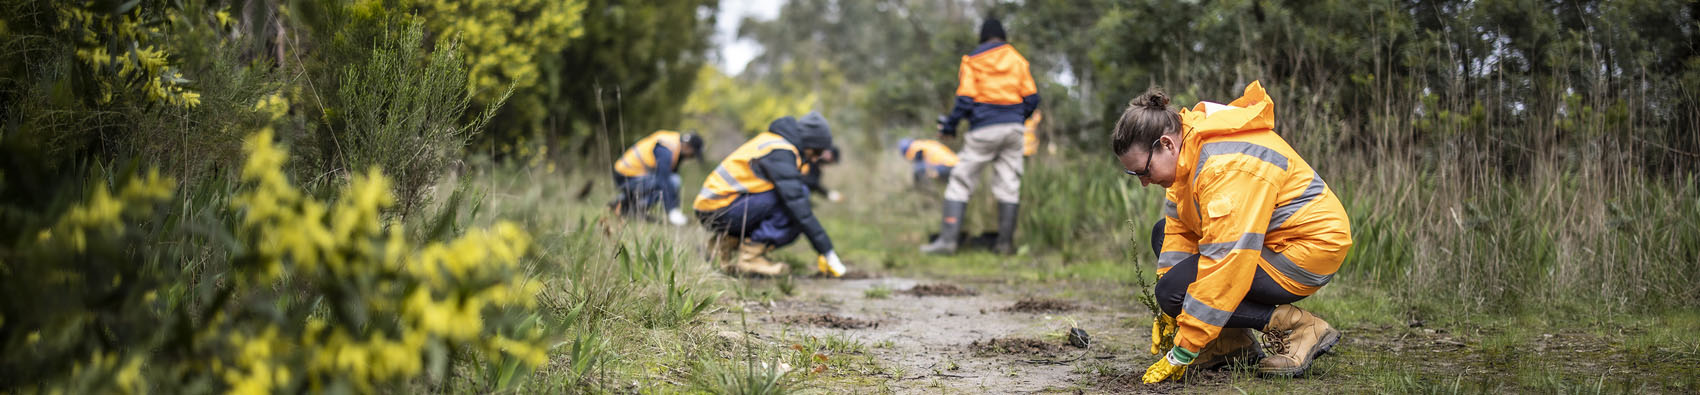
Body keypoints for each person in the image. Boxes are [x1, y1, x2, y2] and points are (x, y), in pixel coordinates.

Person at [1112, 82, 1353, 383]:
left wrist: (1185, 346)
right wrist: (1172, 316)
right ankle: (1230, 343)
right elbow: (1179, 233)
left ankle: (1297, 327)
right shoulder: (1188, 156)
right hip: (1271, 240)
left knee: (1174, 292)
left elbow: (1226, 264)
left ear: (1167, 144)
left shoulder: (1222, 167)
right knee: (1163, 239)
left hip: (1307, 248)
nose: (1144, 182)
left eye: (1144, 171)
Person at [920, 17, 1040, 256]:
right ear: (1003, 36)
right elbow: (1033, 98)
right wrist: (1016, 117)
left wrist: (951, 126)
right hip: (1014, 129)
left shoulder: (973, 60)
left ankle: (947, 242)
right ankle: (1004, 245)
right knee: (1009, 184)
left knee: (960, 181)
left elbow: (964, 99)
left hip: (984, 129)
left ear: (982, 36)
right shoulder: (1017, 59)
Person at [694, 112, 848, 277]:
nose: (816, 158)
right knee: (795, 204)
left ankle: (720, 247)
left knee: (792, 200)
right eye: (817, 152)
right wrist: (827, 252)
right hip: (720, 210)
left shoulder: (775, 143)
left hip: (715, 208)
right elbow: (797, 203)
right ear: (808, 142)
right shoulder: (781, 150)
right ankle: (749, 259)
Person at [610, 130, 702, 225]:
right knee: (673, 182)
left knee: (670, 182)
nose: (691, 157)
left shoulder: (673, 142)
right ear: (688, 147)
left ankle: (622, 203)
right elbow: (664, 180)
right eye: (693, 154)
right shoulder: (666, 150)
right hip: (626, 177)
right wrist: (673, 211)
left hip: (629, 175)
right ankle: (633, 208)